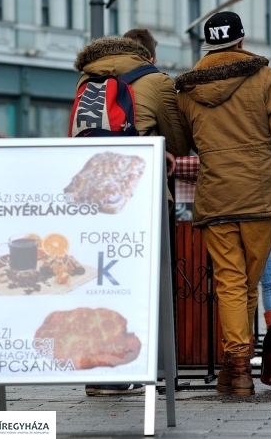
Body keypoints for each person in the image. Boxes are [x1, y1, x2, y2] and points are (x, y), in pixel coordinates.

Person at [174, 11, 271, 396]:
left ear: (207, 45)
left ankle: (236, 366)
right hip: (261, 191)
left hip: (217, 193)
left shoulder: (187, 90)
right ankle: (238, 365)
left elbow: (181, 144)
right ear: (241, 42)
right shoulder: (264, 76)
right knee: (249, 280)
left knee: (229, 280)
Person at [73, 28, 189, 397]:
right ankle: (146, 366)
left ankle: (98, 370)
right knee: (151, 282)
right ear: (150, 56)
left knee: (102, 280)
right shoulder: (155, 79)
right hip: (142, 197)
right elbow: (181, 141)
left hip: (91, 199)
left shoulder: (87, 76)